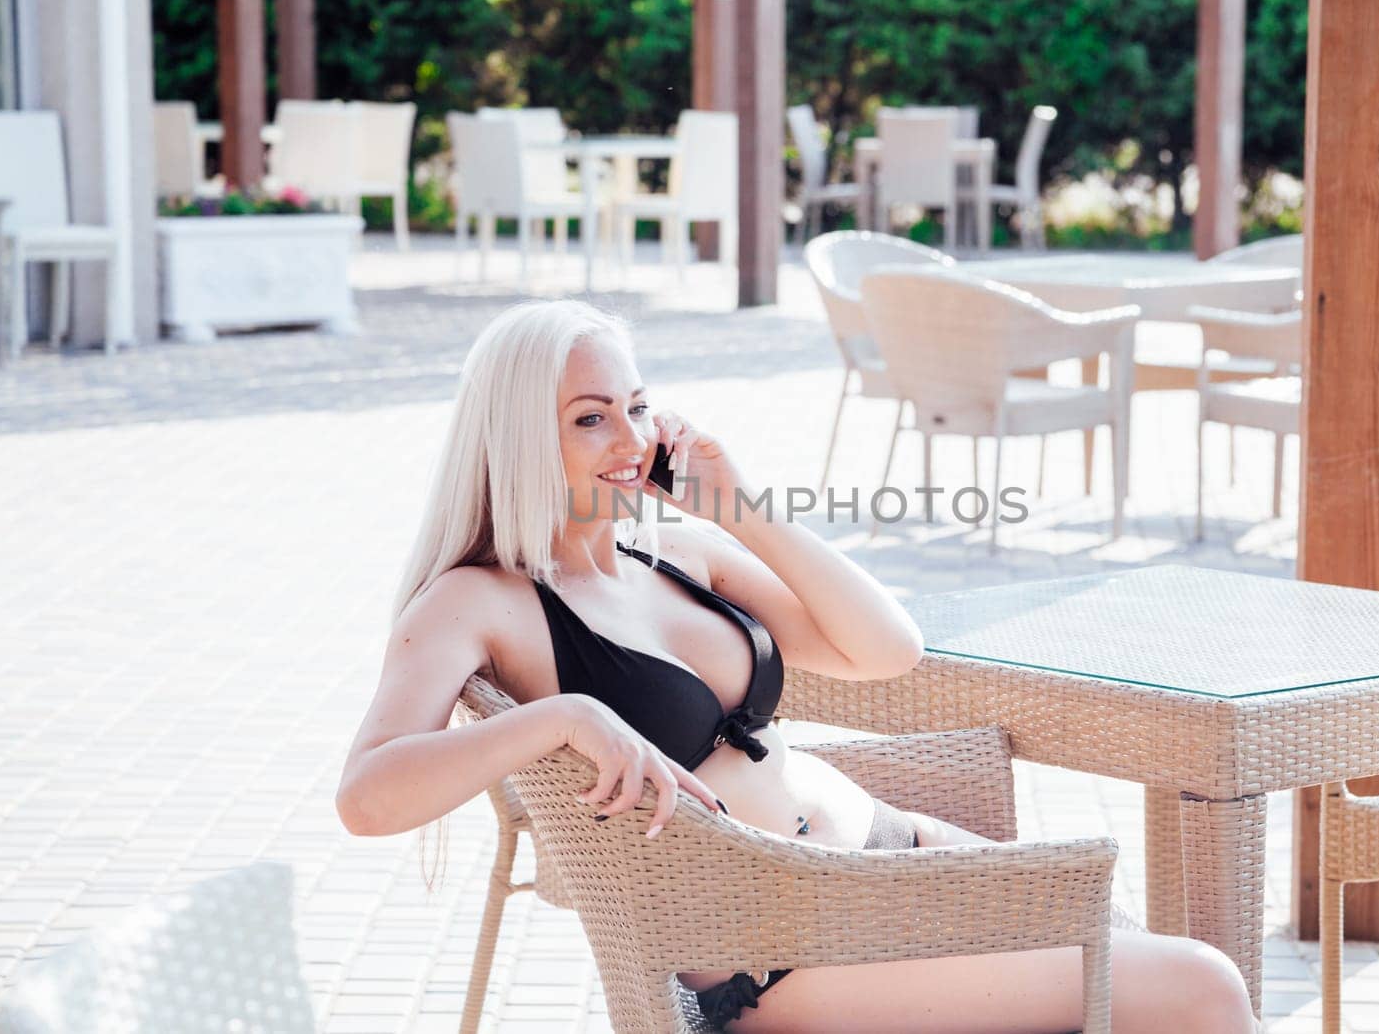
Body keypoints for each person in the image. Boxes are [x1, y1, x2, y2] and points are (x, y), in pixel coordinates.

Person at [335, 301, 1256, 1033]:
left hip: (889, 855)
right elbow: (367, 797)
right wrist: (560, 716)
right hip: (789, 949)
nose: (630, 440)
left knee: (1147, 959)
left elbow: (887, 648)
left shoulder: (677, 551)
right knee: (1201, 990)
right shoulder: (478, 600)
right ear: (517, 433)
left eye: (638, 406)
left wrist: (740, 506)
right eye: (590, 417)